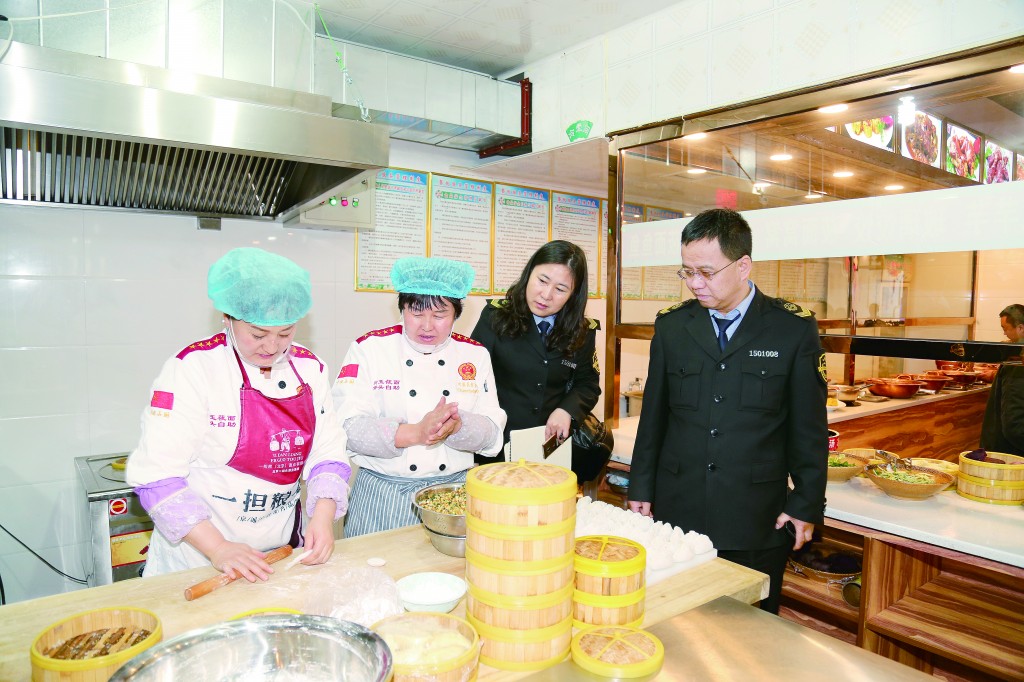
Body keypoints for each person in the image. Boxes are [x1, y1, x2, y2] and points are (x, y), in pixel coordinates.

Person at [626, 208, 827, 614]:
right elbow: (655, 417)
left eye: (706, 272)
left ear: (743, 266)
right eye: (687, 272)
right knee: (676, 619)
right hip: (678, 512)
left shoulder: (790, 328)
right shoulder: (673, 326)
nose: (695, 283)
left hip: (755, 514)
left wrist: (805, 503)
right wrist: (641, 487)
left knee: (751, 626)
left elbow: (808, 426)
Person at [127, 248, 351, 580]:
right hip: (197, 558)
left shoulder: (309, 369)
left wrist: (322, 516)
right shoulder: (193, 369)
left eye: (286, 333)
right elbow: (156, 476)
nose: (272, 347)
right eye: (258, 334)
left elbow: (328, 452)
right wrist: (218, 547)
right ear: (228, 318)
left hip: (279, 553)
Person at [334, 256, 506, 537]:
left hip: (452, 495)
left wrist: (457, 427)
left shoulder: (475, 355)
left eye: (440, 315)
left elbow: (492, 434)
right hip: (381, 495)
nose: (427, 326)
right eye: (416, 313)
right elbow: (347, 429)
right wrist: (416, 432)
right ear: (402, 308)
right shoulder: (369, 349)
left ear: (457, 314)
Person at [470, 240, 604, 483]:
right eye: (542, 281)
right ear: (529, 273)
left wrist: (567, 410)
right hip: (498, 446)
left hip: (549, 447)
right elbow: (472, 379)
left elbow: (588, 384)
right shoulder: (496, 317)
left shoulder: (582, 331)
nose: (546, 295)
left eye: (561, 289)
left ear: (573, 295)